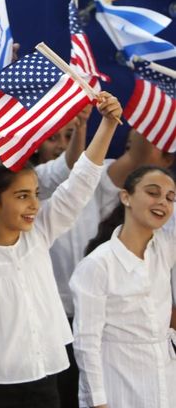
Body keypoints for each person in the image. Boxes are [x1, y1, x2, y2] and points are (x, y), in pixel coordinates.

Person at [0, 92, 122, 408]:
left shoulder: (39, 231)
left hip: (46, 377)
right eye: (22, 196)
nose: (33, 204)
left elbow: (79, 183)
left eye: (36, 194)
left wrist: (108, 124)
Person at [71, 166, 176, 408]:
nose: (163, 202)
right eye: (153, 192)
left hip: (165, 378)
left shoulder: (164, 247)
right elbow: (86, 342)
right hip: (117, 382)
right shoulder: (97, 265)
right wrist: (97, 402)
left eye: (170, 198)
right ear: (126, 196)